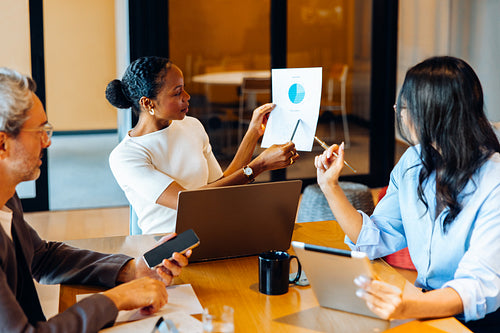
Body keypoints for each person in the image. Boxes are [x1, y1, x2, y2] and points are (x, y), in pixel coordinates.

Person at [314, 56, 500, 331]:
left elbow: (477, 287)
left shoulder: (493, 180)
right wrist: (330, 186)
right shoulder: (413, 161)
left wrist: (407, 306)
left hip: (474, 320)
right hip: (425, 307)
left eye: (404, 106)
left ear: (432, 112)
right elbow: (375, 237)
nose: (400, 113)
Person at [0, 67, 190, 332]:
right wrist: (117, 298)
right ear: (2, 144)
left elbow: (41, 258)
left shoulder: (7, 197)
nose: (47, 142)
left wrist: (132, 270)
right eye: (39, 131)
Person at [106, 56, 299, 234]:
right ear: (148, 103)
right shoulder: (126, 156)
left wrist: (253, 132)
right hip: (168, 244)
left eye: (184, 88)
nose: (187, 96)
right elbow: (188, 203)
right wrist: (260, 166)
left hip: (212, 228)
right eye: (177, 93)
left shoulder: (191, 125)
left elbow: (222, 183)